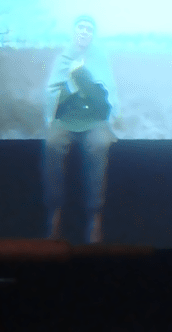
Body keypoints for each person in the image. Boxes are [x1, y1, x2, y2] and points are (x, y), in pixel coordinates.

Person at [42, 15, 120, 243]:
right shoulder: (63, 58)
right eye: (81, 27)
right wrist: (50, 118)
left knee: (100, 144)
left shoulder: (100, 58)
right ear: (74, 31)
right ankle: (55, 212)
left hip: (94, 119)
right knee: (52, 144)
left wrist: (113, 116)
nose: (84, 32)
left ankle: (95, 214)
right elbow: (52, 91)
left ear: (92, 35)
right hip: (66, 119)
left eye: (89, 29)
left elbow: (108, 90)